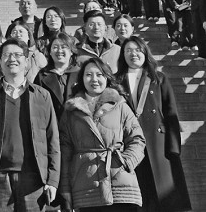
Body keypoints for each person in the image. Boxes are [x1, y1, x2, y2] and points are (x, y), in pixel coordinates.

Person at [0, 39, 60, 211]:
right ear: (0, 60)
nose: (12, 59)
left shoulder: (42, 96)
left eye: (17, 55)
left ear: (26, 61)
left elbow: (53, 141)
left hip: (34, 178)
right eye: (7, 55)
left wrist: (53, 180)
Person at [59, 58, 146, 211]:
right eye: (88, 75)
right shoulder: (71, 111)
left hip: (121, 184)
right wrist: (65, 187)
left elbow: (137, 139)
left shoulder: (120, 106)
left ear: (107, 78)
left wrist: (126, 161)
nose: (94, 79)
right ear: (81, 79)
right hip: (85, 185)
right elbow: (64, 151)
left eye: (99, 74)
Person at [116, 36, 191, 212]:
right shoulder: (116, 81)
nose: (133, 54)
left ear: (145, 52)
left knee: (167, 198)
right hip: (131, 145)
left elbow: (171, 112)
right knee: (142, 197)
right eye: (128, 50)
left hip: (160, 144)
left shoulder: (158, 78)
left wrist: (174, 148)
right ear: (123, 55)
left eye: (137, 50)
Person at [35, 34, 81, 120]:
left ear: (71, 52)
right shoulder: (42, 76)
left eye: (64, 47)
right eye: (55, 47)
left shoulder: (80, 74)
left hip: (76, 123)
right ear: (50, 52)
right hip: (51, 123)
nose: (59, 50)